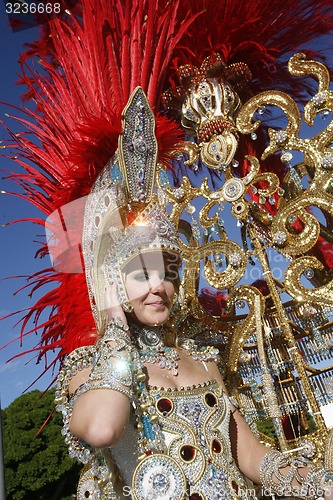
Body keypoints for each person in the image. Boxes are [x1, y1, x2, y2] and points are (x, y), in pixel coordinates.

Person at [55, 88, 333, 500]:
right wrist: (113, 323)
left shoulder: (204, 358)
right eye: (139, 275)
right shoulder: (88, 369)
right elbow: (102, 428)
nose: (157, 286)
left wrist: (316, 483)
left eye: (166, 272)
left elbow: (251, 456)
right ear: (113, 283)